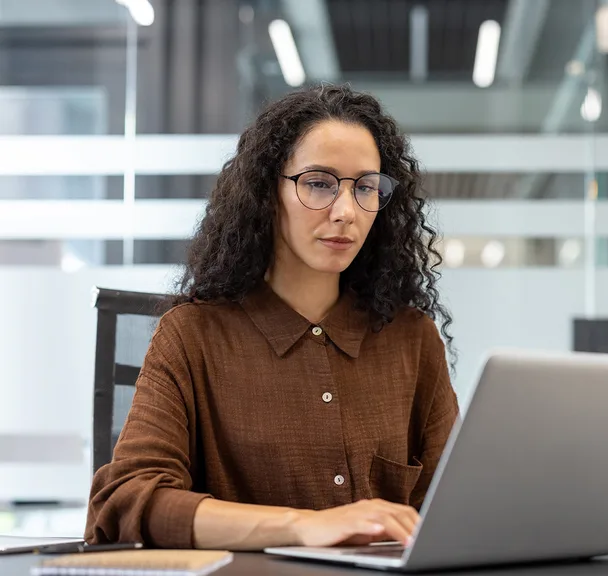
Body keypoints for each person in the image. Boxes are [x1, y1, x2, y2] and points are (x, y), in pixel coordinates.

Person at [85, 84, 459, 551]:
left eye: (365, 187)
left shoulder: (411, 338)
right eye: (319, 183)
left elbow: (456, 510)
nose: (346, 212)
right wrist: (301, 526)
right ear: (267, 192)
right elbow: (126, 501)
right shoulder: (192, 336)